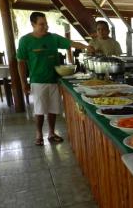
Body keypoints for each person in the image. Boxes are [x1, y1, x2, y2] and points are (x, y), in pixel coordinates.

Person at [17, 11, 95, 146]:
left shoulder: (53, 38)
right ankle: (39, 134)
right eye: (41, 24)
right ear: (33, 24)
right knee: (40, 110)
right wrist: (24, 82)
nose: (45, 27)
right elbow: (21, 63)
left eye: (46, 24)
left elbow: (71, 43)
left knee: (53, 109)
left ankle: (51, 133)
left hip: (54, 79)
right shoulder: (25, 41)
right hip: (38, 81)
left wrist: (86, 47)